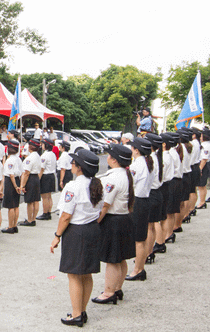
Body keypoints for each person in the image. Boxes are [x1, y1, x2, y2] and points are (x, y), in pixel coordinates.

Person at [50, 149, 103, 327]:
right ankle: (82, 310)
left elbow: (66, 215)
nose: (71, 164)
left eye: (73, 163)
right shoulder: (96, 184)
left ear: (79, 168)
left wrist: (57, 236)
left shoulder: (72, 186)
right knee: (86, 273)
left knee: (74, 275)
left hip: (77, 232)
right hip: (92, 229)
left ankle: (76, 314)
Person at [92, 144, 135, 305]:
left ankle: (109, 292)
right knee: (120, 258)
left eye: (109, 155)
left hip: (113, 221)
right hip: (124, 218)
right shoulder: (125, 174)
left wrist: (96, 223)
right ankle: (117, 288)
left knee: (112, 259)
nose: (107, 157)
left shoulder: (113, 178)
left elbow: (105, 205)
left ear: (114, 160)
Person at [125, 137, 154, 281]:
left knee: (138, 239)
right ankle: (139, 268)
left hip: (138, 201)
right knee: (141, 237)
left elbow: (129, 183)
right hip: (145, 200)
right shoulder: (148, 162)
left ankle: (138, 269)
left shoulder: (137, 165)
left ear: (136, 150)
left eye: (132, 147)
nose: (131, 149)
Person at [143, 133, 164, 265]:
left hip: (151, 193)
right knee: (152, 225)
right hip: (157, 193)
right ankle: (149, 252)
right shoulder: (157, 156)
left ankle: (147, 253)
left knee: (149, 227)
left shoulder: (150, 158)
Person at [19, 139, 42, 226]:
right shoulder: (38, 156)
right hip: (36, 177)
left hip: (31, 178)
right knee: (36, 200)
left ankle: (29, 220)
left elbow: (26, 173)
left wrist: (22, 185)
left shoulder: (29, 158)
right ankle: (33, 218)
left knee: (30, 201)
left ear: (30, 147)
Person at [2, 140, 22, 234]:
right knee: (16, 205)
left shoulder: (10, 160)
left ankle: (10, 226)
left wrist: (15, 186)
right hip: (17, 180)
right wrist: (20, 185)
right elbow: (21, 173)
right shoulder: (18, 159)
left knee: (11, 206)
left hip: (11, 182)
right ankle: (14, 225)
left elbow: (11, 174)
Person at [165, 132, 182, 244]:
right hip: (175, 182)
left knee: (169, 212)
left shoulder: (170, 154)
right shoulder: (173, 152)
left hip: (172, 182)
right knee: (170, 212)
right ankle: (169, 233)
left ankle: (168, 234)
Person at [37, 138, 57, 221]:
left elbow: (41, 169)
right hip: (51, 175)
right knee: (49, 196)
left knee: (44, 197)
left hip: (45, 176)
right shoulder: (53, 154)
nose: (41, 145)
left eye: (43, 144)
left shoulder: (44, 155)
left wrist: (38, 180)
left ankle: (45, 213)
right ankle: (48, 212)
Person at [196, 129, 210, 209]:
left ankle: (202, 202)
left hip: (203, 165)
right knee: (202, 186)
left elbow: (204, 159)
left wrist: (200, 169)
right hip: (205, 165)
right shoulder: (206, 144)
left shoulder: (205, 145)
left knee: (201, 185)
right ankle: (203, 201)